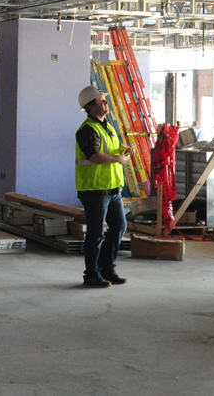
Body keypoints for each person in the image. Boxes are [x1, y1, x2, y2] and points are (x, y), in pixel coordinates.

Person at [74, 85, 130, 288]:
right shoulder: (88, 130)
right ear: (90, 107)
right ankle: (91, 274)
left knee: (119, 227)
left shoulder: (108, 125)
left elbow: (110, 152)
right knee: (96, 234)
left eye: (105, 99)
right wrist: (118, 158)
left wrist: (121, 153)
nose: (106, 102)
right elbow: (94, 156)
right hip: (95, 190)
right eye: (101, 100)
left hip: (113, 189)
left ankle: (107, 269)